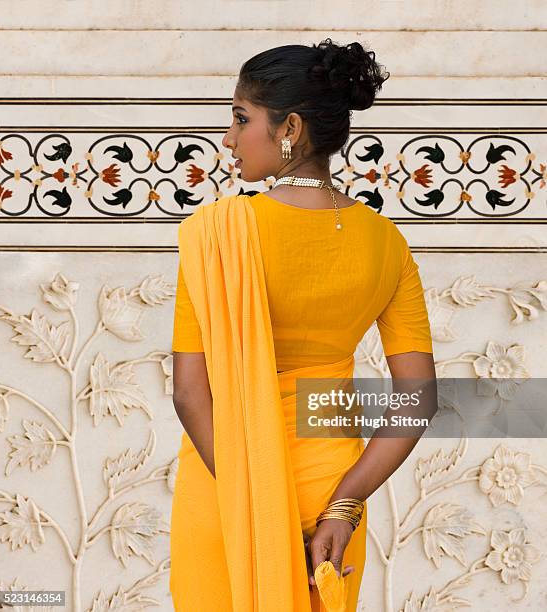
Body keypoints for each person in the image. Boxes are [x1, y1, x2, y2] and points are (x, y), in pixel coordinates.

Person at [169, 38, 437, 611]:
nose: (229, 138)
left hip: (226, 483)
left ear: (288, 127)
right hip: (330, 495)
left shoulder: (216, 233)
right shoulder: (386, 243)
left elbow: (191, 397)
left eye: (241, 118)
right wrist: (344, 504)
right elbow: (418, 398)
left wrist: (256, 499)